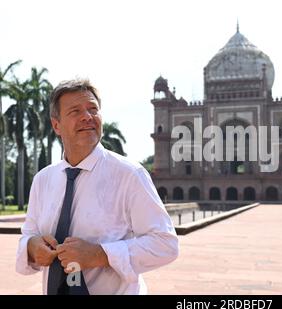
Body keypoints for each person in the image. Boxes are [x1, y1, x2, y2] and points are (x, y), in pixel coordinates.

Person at [16, 79, 178, 295]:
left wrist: (100, 254)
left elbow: (165, 244)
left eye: (93, 109)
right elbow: (28, 235)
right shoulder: (43, 180)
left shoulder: (129, 175)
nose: (87, 117)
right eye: (75, 111)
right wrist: (31, 247)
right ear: (56, 125)